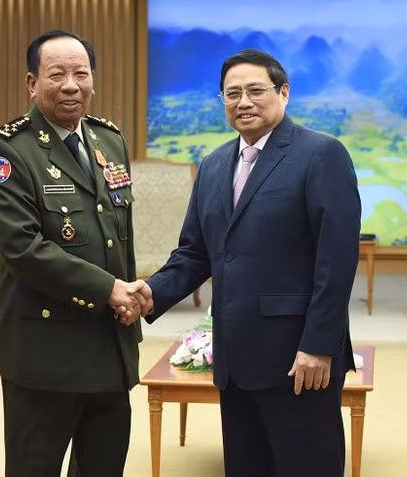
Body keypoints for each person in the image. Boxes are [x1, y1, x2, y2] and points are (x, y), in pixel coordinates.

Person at [131, 49, 361, 476]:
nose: (244, 102)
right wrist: (151, 292)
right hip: (235, 359)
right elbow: (196, 252)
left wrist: (319, 345)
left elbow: (337, 258)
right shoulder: (214, 164)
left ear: (284, 92)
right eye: (232, 93)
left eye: (256, 91)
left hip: (299, 359)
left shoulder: (321, 154)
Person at [0, 29, 144, 477]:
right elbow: (22, 249)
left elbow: (118, 239)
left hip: (109, 346)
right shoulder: (8, 150)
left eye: (81, 74)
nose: (71, 85)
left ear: (93, 81)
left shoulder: (109, 140)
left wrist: (128, 297)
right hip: (45, 355)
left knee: (103, 467)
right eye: (57, 75)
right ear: (32, 83)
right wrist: (109, 289)